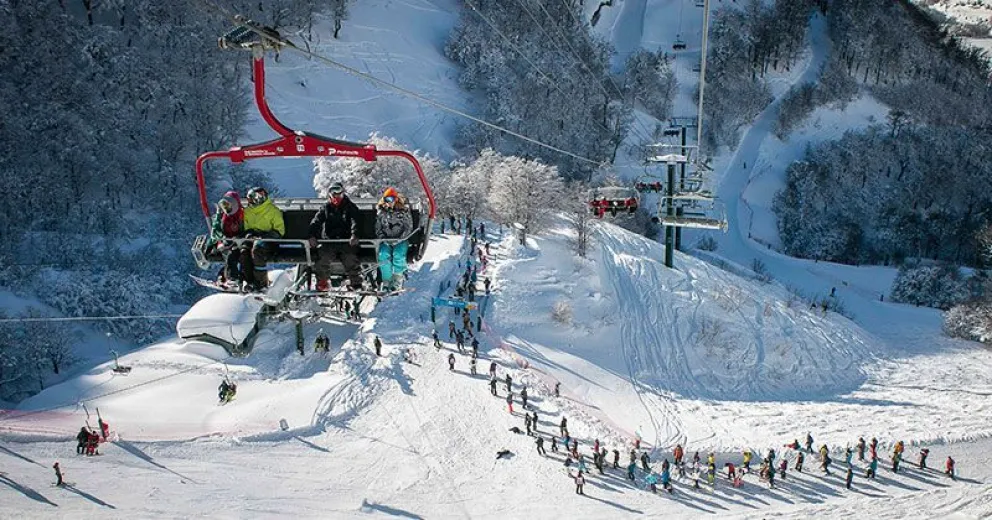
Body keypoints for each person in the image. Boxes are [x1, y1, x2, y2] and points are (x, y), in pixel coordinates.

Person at [309, 181, 362, 291]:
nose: (337, 196)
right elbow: (317, 221)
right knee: (322, 257)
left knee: (350, 257)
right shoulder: (326, 207)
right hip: (330, 241)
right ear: (330, 194)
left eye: (339, 193)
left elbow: (356, 221)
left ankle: (356, 283)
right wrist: (312, 235)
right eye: (334, 193)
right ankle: (322, 282)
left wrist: (354, 234)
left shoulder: (350, 206)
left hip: (346, 240)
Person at [242, 187, 285, 290]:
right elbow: (247, 228)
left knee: (257, 250)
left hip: (269, 241)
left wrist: (264, 237)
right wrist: (249, 234)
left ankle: (261, 282)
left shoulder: (272, 210)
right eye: (249, 199)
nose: (251, 202)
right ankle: (248, 281)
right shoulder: (248, 211)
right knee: (244, 251)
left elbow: (280, 231)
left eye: (253, 199)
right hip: (253, 238)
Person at [375, 187, 413, 291]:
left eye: (391, 199)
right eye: (386, 200)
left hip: (401, 240)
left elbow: (408, 227)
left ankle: (397, 279)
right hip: (386, 240)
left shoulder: (403, 211)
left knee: (398, 255)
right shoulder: (381, 212)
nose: (388, 202)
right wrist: (383, 238)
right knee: (383, 255)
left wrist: (401, 238)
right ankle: (387, 280)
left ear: (396, 199)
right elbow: (378, 228)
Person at [208, 191, 245, 286]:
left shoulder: (243, 215)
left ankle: (232, 278)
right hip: (226, 242)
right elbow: (215, 231)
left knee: (233, 255)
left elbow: (249, 229)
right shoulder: (222, 216)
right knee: (228, 254)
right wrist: (221, 239)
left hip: (239, 242)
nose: (226, 209)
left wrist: (240, 238)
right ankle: (227, 277)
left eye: (228, 205)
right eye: (225, 206)